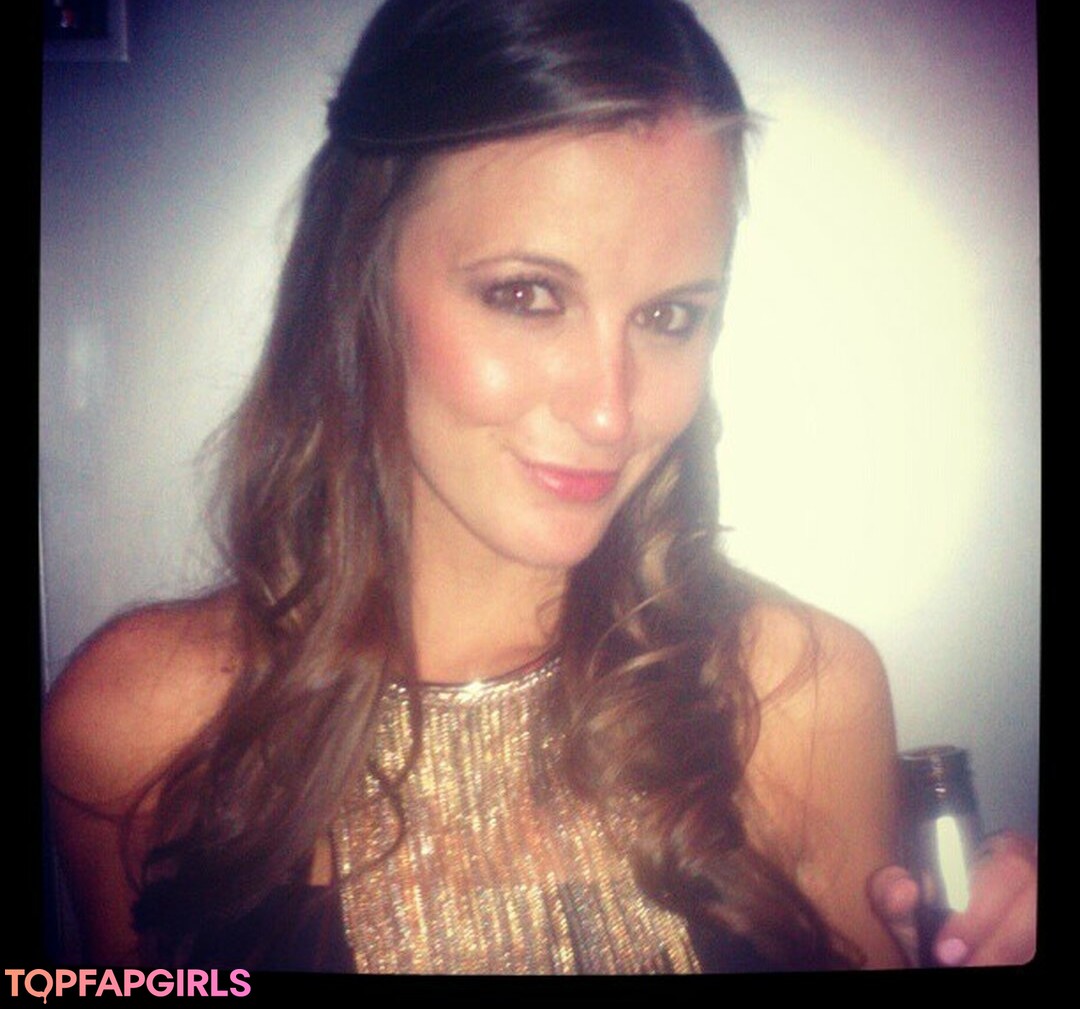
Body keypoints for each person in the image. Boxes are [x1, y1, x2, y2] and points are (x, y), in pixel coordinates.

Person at [43, 0, 1035, 973]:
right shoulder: (139, 724)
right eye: (527, 295)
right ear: (360, 279)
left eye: (670, 316)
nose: (609, 411)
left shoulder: (797, 694)